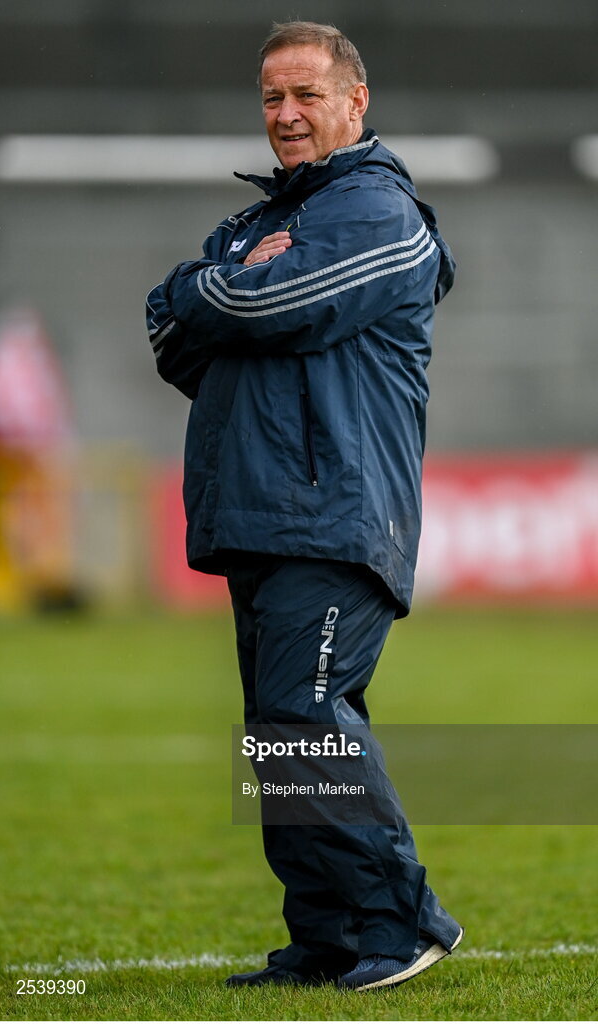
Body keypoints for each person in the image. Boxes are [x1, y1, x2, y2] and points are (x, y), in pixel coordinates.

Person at [145, 20, 463, 991]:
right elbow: (170, 331)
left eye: (306, 96)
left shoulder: (374, 210)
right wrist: (233, 278)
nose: (285, 115)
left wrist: (231, 289)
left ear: (354, 101)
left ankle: (399, 920)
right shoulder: (252, 228)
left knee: (305, 716)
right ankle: (325, 934)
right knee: (276, 732)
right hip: (258, 508)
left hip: (335, 508)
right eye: (272, 100)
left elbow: (252, 310)